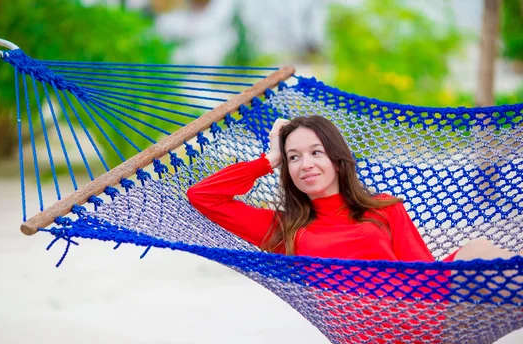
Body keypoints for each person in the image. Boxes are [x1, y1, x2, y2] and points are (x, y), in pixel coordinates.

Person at [186, 115, 522, 263]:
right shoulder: (283, 230)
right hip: (366, 332)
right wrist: (268, 158)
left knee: (479, 249)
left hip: (423, 316)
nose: (306, 164)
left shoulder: (384, 208)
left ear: (336, 159)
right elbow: (203, 196)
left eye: (316, 152)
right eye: (294, 157)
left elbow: (424, 272)